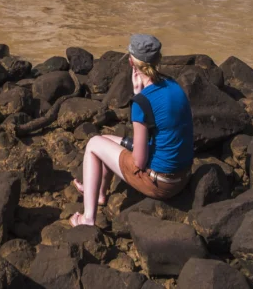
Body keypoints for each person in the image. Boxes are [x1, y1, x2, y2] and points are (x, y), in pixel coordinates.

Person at [70, 33, 194, 227]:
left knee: (93, 144)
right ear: (158, 59)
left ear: (131, 62)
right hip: (183, 175)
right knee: (106, 139)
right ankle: (98, 193)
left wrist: (139, 97)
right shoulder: (174, 85)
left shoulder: (142, 102)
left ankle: (87, 219)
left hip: (161, 183)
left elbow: (139, 161)